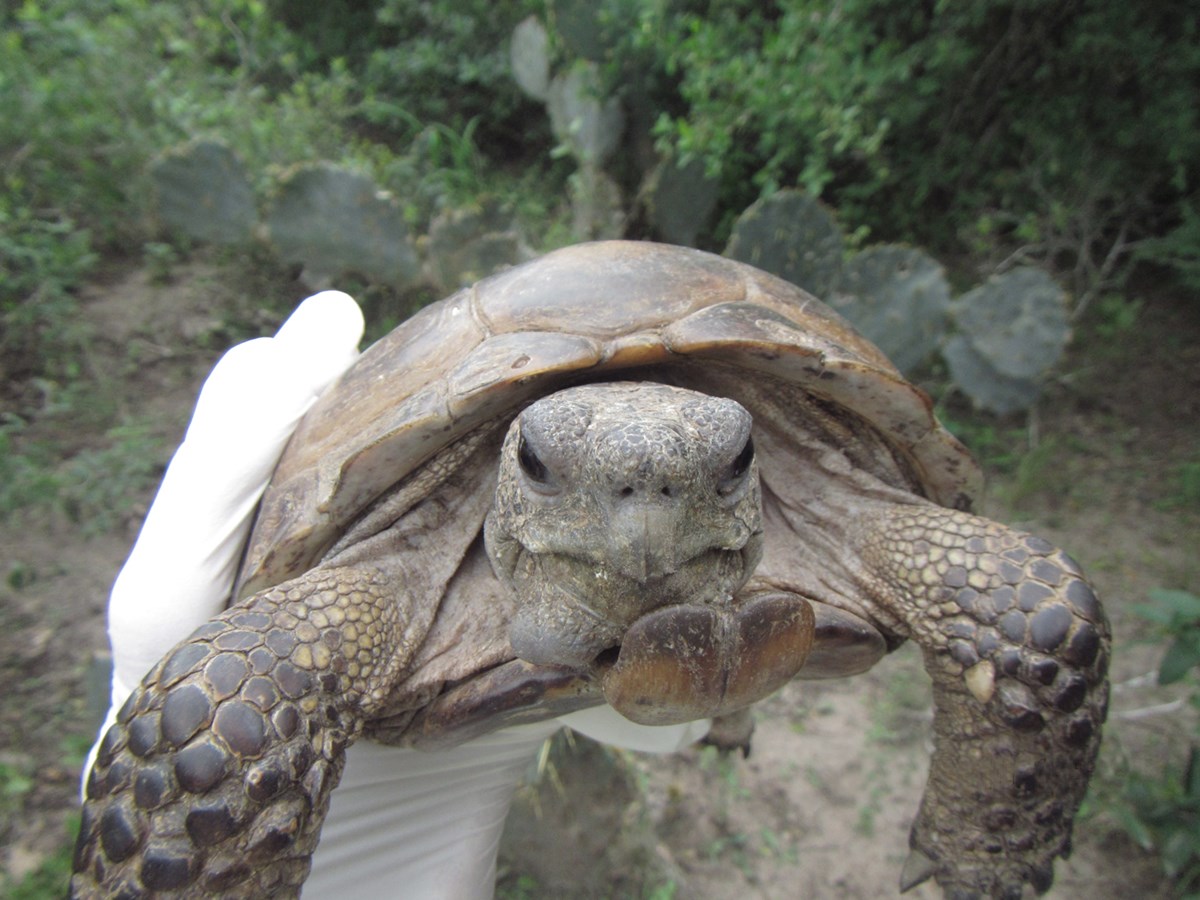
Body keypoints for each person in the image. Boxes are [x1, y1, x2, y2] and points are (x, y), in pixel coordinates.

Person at [84, 292, 709, 898]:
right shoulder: (377, 580)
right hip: (390, 592)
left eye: (731, 464)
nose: (643, 523)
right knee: (228, 707)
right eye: (544, 470)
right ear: (515, 464)